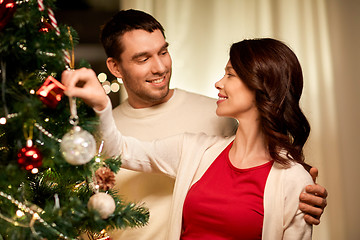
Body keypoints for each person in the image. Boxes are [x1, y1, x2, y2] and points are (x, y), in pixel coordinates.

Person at [64, 10, 327, 239]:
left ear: (259, 88)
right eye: (143, 59)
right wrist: (101, 105)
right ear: (115, 67)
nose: (159, 66)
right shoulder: (193, 148)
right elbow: (119, 151)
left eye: (164, 51)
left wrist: (300, 185)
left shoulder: (217, 117)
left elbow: (269, 161)